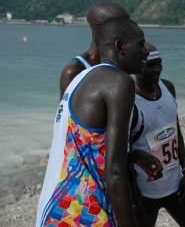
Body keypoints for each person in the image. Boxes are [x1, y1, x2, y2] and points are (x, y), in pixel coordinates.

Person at [36, 17, 163, 227]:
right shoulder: (119, 82)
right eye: (140, 44)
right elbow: (114, 172)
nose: (146, 52)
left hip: (60, 206)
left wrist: (132, 156)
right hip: (85, 211)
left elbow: (87, 149)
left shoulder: (83, 77)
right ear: (120, 46)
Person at [129, 42, 185, 227]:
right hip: (146, 192)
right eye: (150, 65)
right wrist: (133, 186)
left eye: (159, 63)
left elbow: (175, 132)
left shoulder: (168, 88)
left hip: (175, 186)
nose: (157, 70)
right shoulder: (129, 102)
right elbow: (124, 149)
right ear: (137, 65)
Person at [59, 0, 129, 100]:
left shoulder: (122, 64)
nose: (128, 31)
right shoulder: (75, 71)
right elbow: (64, 113)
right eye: (120, 26)